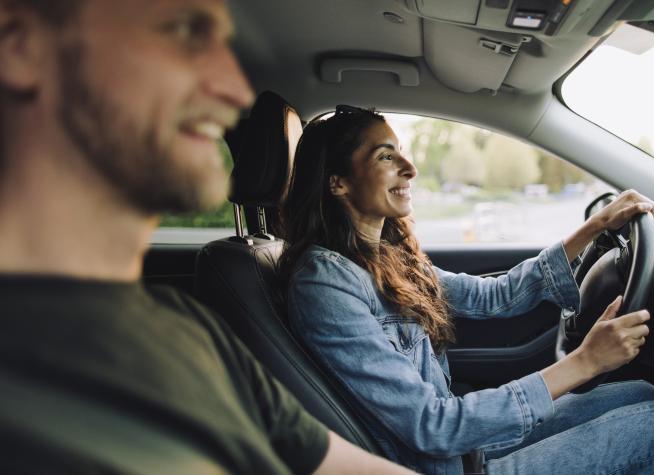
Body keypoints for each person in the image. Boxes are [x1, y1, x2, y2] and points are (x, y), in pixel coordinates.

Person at [0, 1, 416, 473]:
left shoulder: (188, 329)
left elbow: (339, 465)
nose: (233, 90)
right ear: (20, 44)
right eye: (182, 32)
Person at [281, 107, 654, 474]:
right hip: (441, 463)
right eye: (385, 156)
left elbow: (496, 296)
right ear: (338, 183)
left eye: (402, 153)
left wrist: (594, 226)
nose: (409, 168)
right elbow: (433, 426)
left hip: (461, 452)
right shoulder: (325, 283)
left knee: (643, 393)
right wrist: (586, 361)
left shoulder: (386, 256)